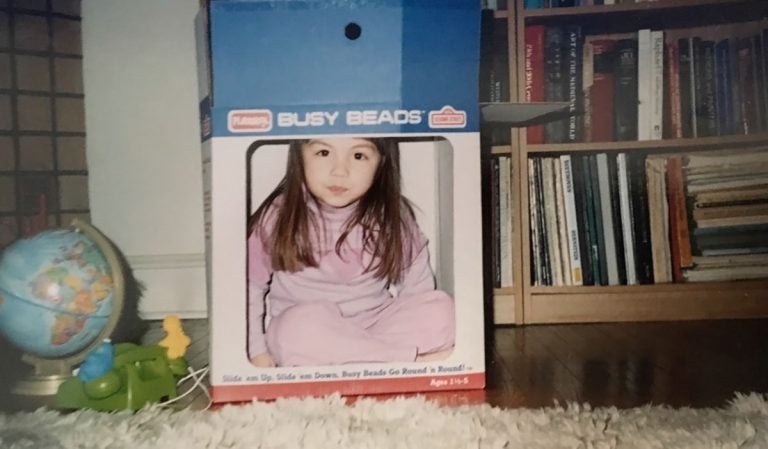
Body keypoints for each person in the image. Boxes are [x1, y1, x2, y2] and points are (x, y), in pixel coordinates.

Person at [247, 137, 455, 367]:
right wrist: (256, 351)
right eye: (324, 153)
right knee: (295, 332)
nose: (340, 171)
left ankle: (365, 359)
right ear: (299, 155)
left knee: (442, 309)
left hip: (376, 325)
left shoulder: (391, 216)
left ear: (381, 163)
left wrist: (420, 317)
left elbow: (417, 288)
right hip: (309, 331)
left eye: (358, 156)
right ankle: (408, 361)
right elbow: (249, 288)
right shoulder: (277, 216)